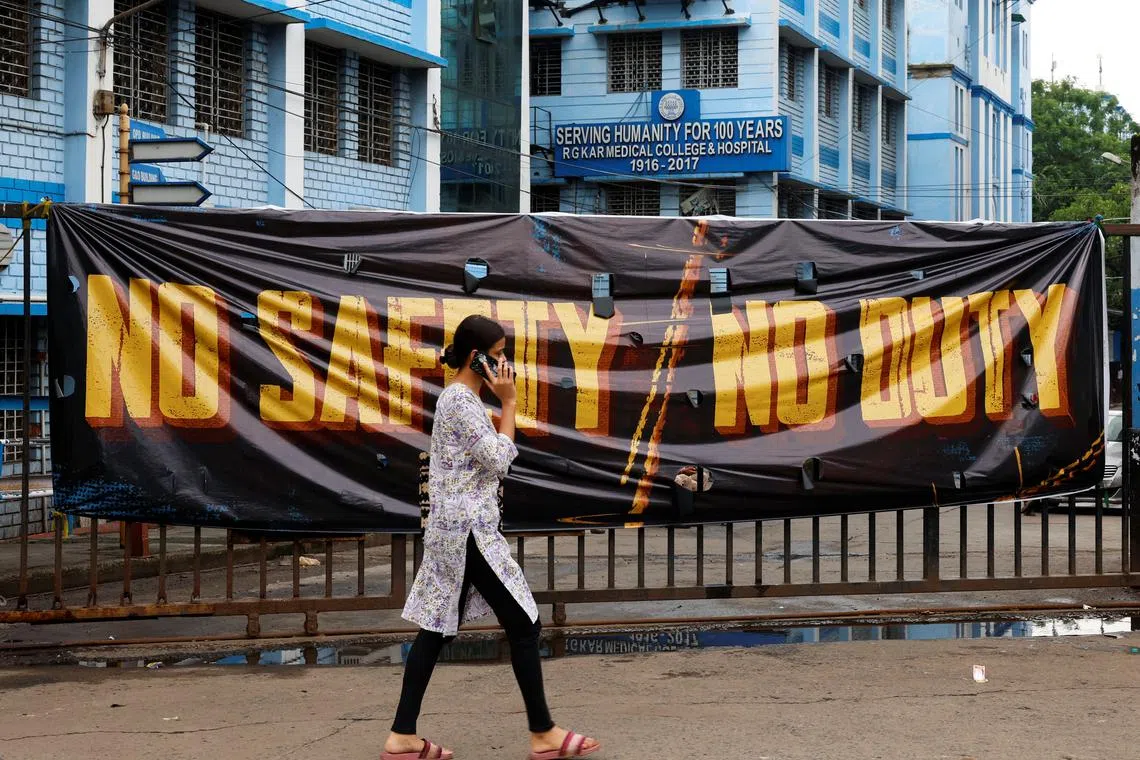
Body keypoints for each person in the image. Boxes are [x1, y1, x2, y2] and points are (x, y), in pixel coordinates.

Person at [382, 314, 601, 760]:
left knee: (436, 630)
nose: (504, 364)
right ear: (474, 357)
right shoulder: (461, 402)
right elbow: (499, 459)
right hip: (467, 533)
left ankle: (403, 736)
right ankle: (543, 734)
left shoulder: (460, 400)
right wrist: (511, 404)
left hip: (459, 529)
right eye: (497, 355)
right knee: (524, 624)